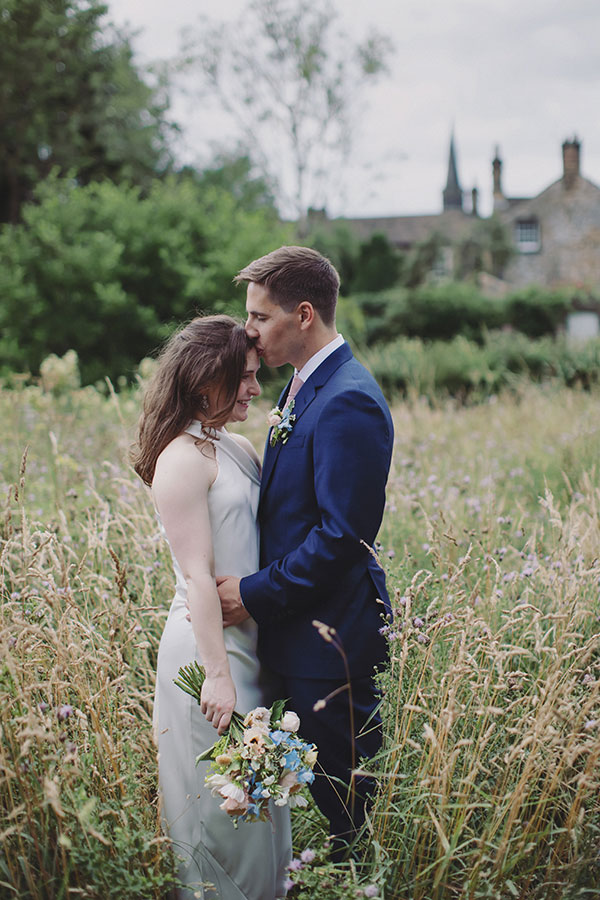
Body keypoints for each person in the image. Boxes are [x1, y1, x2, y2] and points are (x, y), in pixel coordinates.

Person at [217, 247, 394, 854]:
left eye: (260, 317)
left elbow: (341, 537)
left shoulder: (348, 398)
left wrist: (252, 594)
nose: (249, 331)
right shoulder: (302, 386)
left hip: (332, 641)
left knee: (349, 815)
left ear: (304, 314)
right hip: (297, 633)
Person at [132, 315, 291, 900]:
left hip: (250, 644)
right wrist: (218, 676)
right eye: (243, 379)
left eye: (254, 376)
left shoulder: (237, 445)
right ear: (204, 384)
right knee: (225, 811)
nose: (254, 388)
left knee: (264, 801)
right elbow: (197, 575)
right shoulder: (180, 459)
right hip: (206, 653)